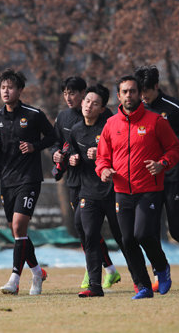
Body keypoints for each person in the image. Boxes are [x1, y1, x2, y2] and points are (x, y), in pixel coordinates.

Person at [96, 76, 179, 299]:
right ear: (119, 96)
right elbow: (102, 158)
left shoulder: (156, 121)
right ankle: (143, 286)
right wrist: (104, 170)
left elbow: (174, 148)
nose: (129, 95)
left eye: (132, 91)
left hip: (149, 189)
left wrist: (162, 164)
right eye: (124, 92)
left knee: (143, 233)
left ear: (139, 94)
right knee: (127, 240)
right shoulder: (111, 124)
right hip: (122, 191)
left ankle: (161, 267)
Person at [134, 65, 179, 290]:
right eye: (140, 91)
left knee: (175, 229)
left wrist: (168, 140)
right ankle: (160, 274)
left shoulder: (174, 107)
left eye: (146, 90)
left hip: (174, 174)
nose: (143, 96)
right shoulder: (137, 108)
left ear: (156, 86)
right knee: (149, 230)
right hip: (148, 176)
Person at [0, 68, 55, 295]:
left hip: (29, 179)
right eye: (3, 87)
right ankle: (37, 273)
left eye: (11, 87)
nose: (6, 91)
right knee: (19, 233)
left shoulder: (33, 115)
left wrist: (35, 146)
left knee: (17, 226)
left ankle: (14, 279)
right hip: (6, 181)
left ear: (20, 90)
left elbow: (53, 136)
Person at [52, 77, 120, 290]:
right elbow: (60, 144)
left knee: (117, 232)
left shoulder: (105, 117)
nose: (68, 97)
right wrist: (60, 155)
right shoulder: (63, 118)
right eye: (65, 93)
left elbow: (113, 144)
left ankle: (137, 275)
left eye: (73, 92)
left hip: (103, 182)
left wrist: (99, 155)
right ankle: (104, 270)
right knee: (84, 229)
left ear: (83, 95)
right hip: (76, 180)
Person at [68, 84, 131, 297]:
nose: (89, 106)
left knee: (123, 237)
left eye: (95, 103)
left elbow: (123, 155)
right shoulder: (76, 130)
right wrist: (72, 159)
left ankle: (140, 280)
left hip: (114, 190)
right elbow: (70, 153)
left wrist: (105, 156)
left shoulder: (110, 127)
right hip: (88, 192)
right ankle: (94, 286)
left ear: (102, 108)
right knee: (89, 236)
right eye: (87, 101)